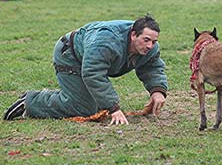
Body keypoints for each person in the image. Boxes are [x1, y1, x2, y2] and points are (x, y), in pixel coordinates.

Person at [3, 16, 168, 125]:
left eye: (153, 41)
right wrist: (114, 108)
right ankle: (30, 101)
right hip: (70, 55)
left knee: (95, 105)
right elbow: (93, 73)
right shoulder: (107, 42)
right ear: (133, 35)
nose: (150, 46)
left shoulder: (150, 48)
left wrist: (157, 90)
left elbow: (152, 66)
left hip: (88, 58)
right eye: (146, 40)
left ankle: (67, 95)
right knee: (83, 108)